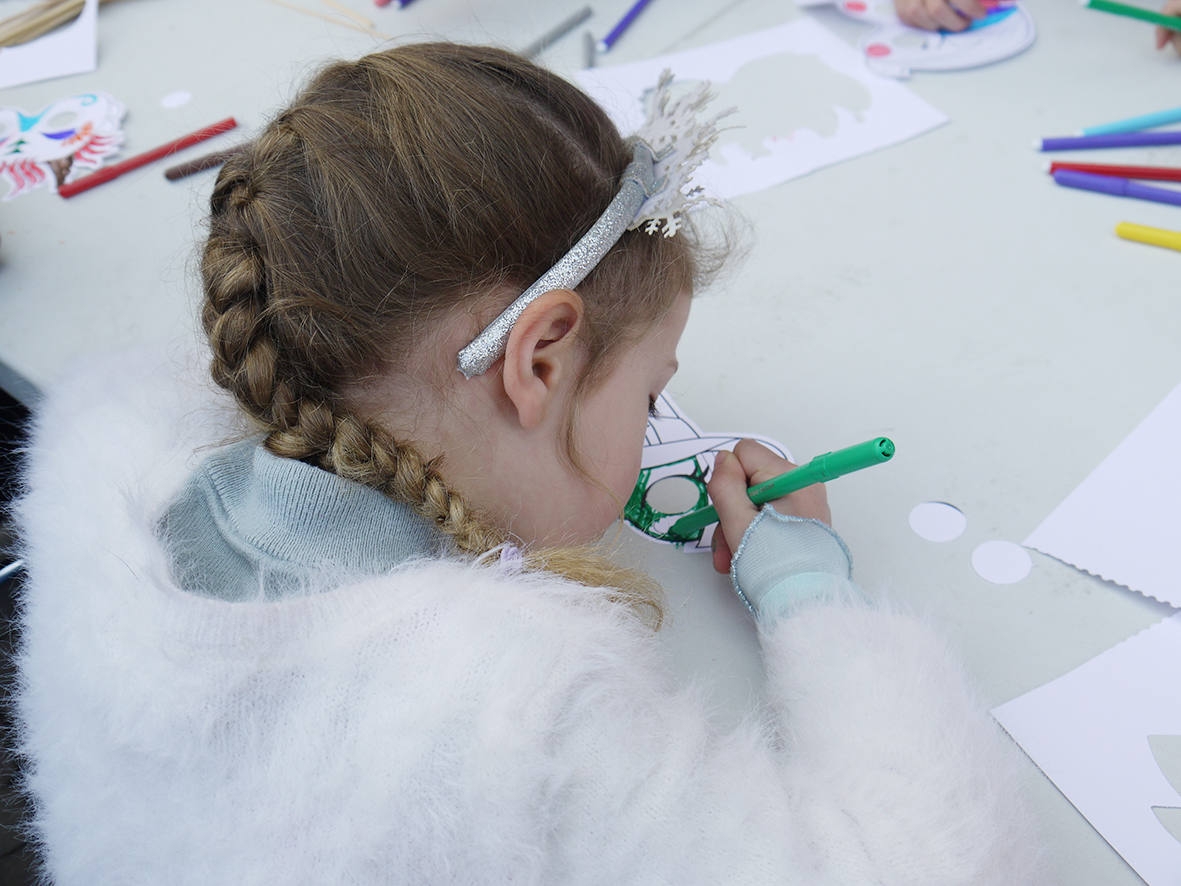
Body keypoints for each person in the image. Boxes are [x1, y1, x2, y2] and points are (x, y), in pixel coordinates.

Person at [13, 42, 1041, 884]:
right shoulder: (519, 713)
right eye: (646, 393)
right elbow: (932, 862)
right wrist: (815, 602)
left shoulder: (113, 496)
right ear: (537, 359)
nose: (656, 423)